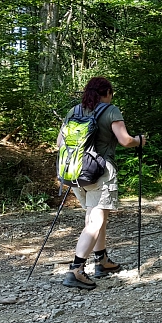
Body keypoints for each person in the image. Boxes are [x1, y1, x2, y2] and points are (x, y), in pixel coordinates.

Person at [57, 76, 146, 290]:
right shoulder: (110, 110)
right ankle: (76, 270)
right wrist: (140, 140)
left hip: (76, 172)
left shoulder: (75, 111)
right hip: (101, 171)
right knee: (95, 221)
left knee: (94, 217)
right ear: (106, 93)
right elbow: (125, 140)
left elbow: (60, 143)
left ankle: (102, 261)